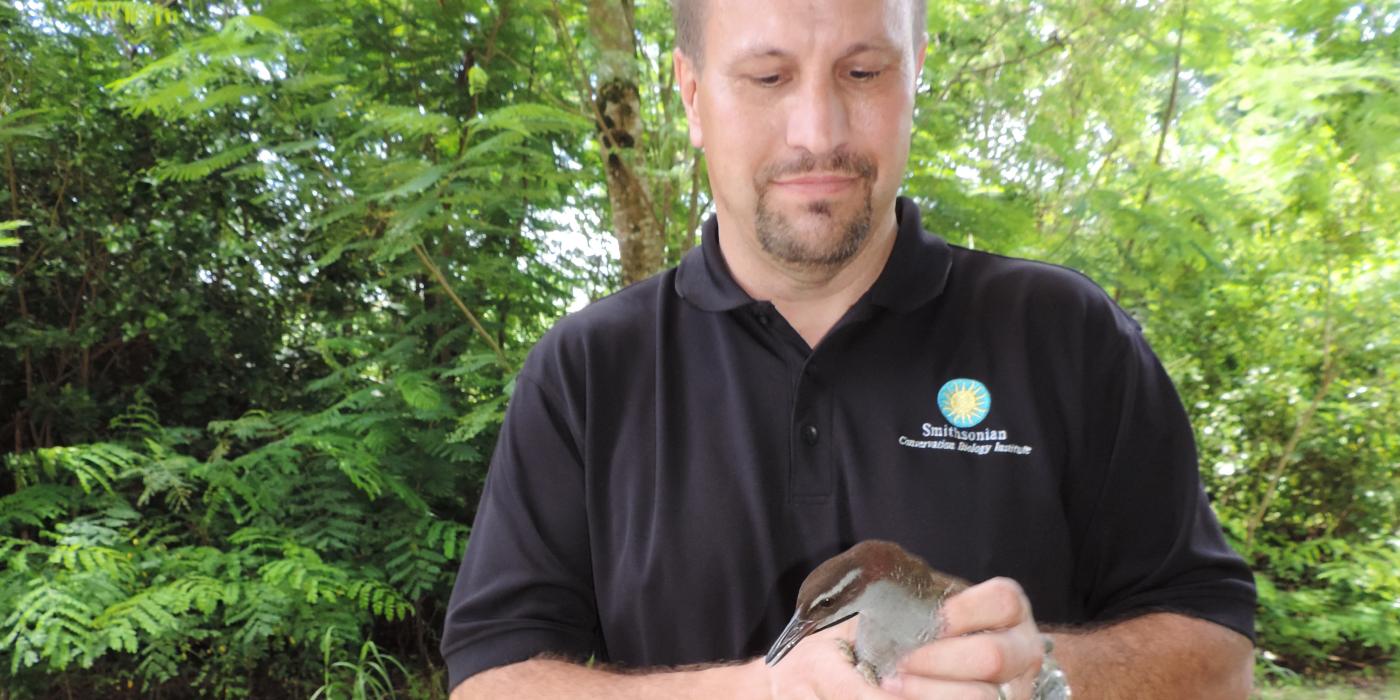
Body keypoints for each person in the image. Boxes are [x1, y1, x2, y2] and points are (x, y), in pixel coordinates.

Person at [440, 0, 1258, 697]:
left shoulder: (1066, 333)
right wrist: (759, 688)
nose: (818, 131)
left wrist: (1039, 673)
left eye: (863, 72)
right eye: (768, 76)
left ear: (915, 75)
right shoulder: (588, 370)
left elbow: (1219, 654)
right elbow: (492, 675)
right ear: (692, 96)